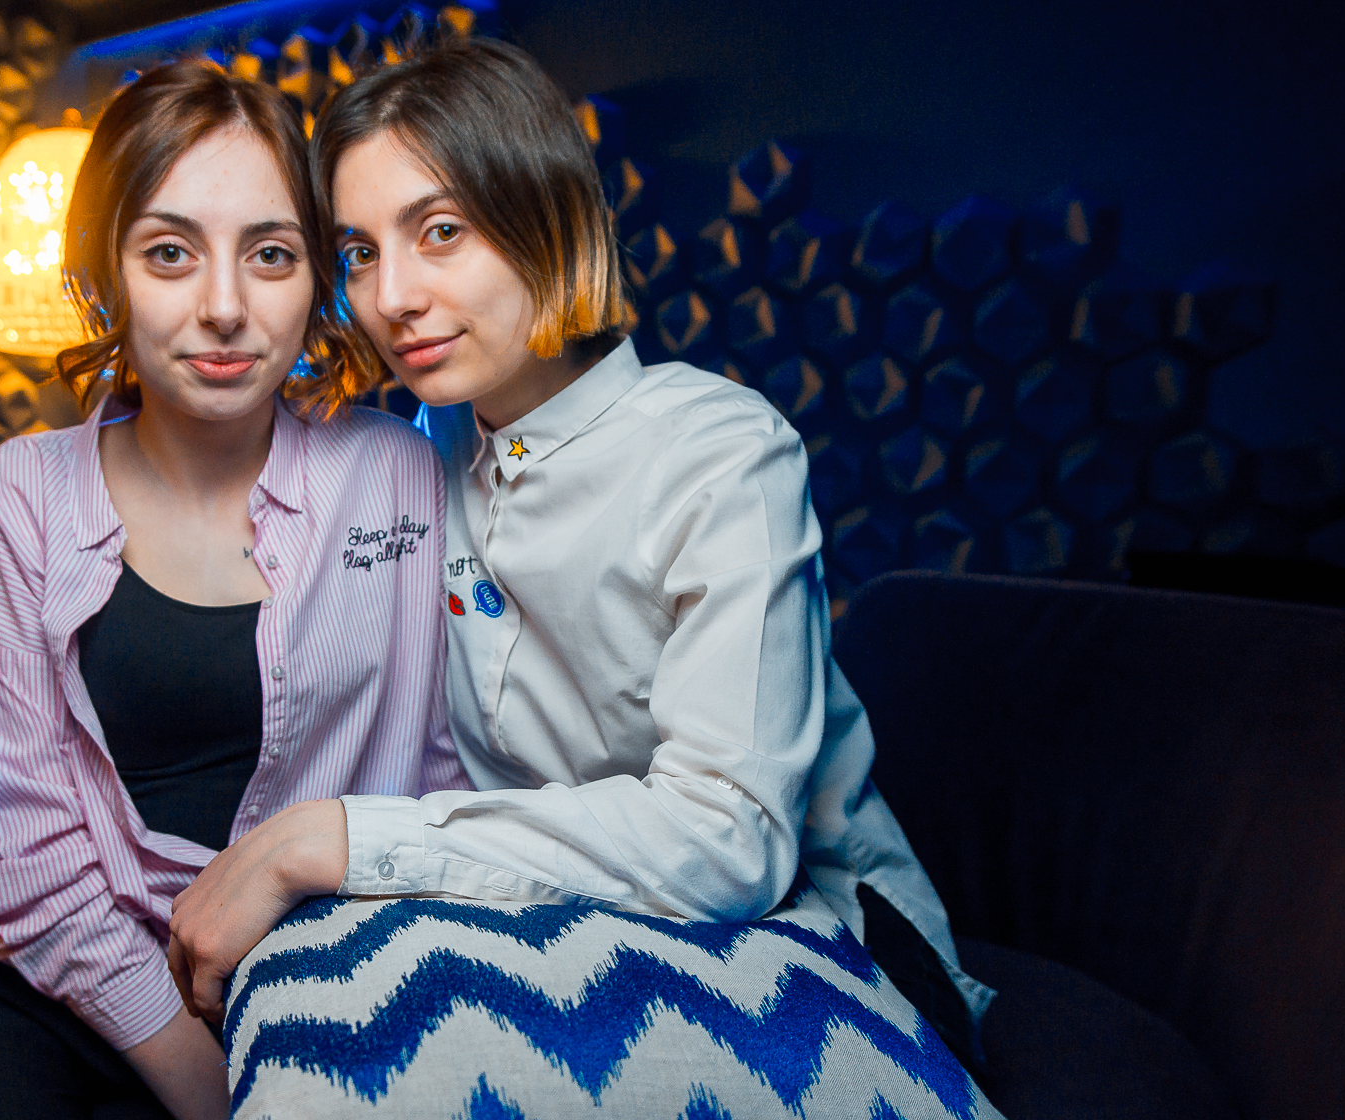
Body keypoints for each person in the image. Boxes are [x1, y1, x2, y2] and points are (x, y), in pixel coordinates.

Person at [163, 36, 992, 1061]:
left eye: (441, 231)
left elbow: (731, 841)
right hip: (577, 929)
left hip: (834, 956)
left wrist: (337, 838)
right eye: (362, 252)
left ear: (549, 222)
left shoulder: (722, 452)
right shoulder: (425, 449)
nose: (392, 297)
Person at [0, 60, 465, 1120]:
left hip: (292, 992)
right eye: (170, 252)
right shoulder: (22, 492)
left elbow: (442, 772)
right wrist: (222, 1105)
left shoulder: (393, 473)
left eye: (270, 254)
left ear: (318, 279)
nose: (223, 307)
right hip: (34, 981)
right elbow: (15, 844)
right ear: (105, 273)